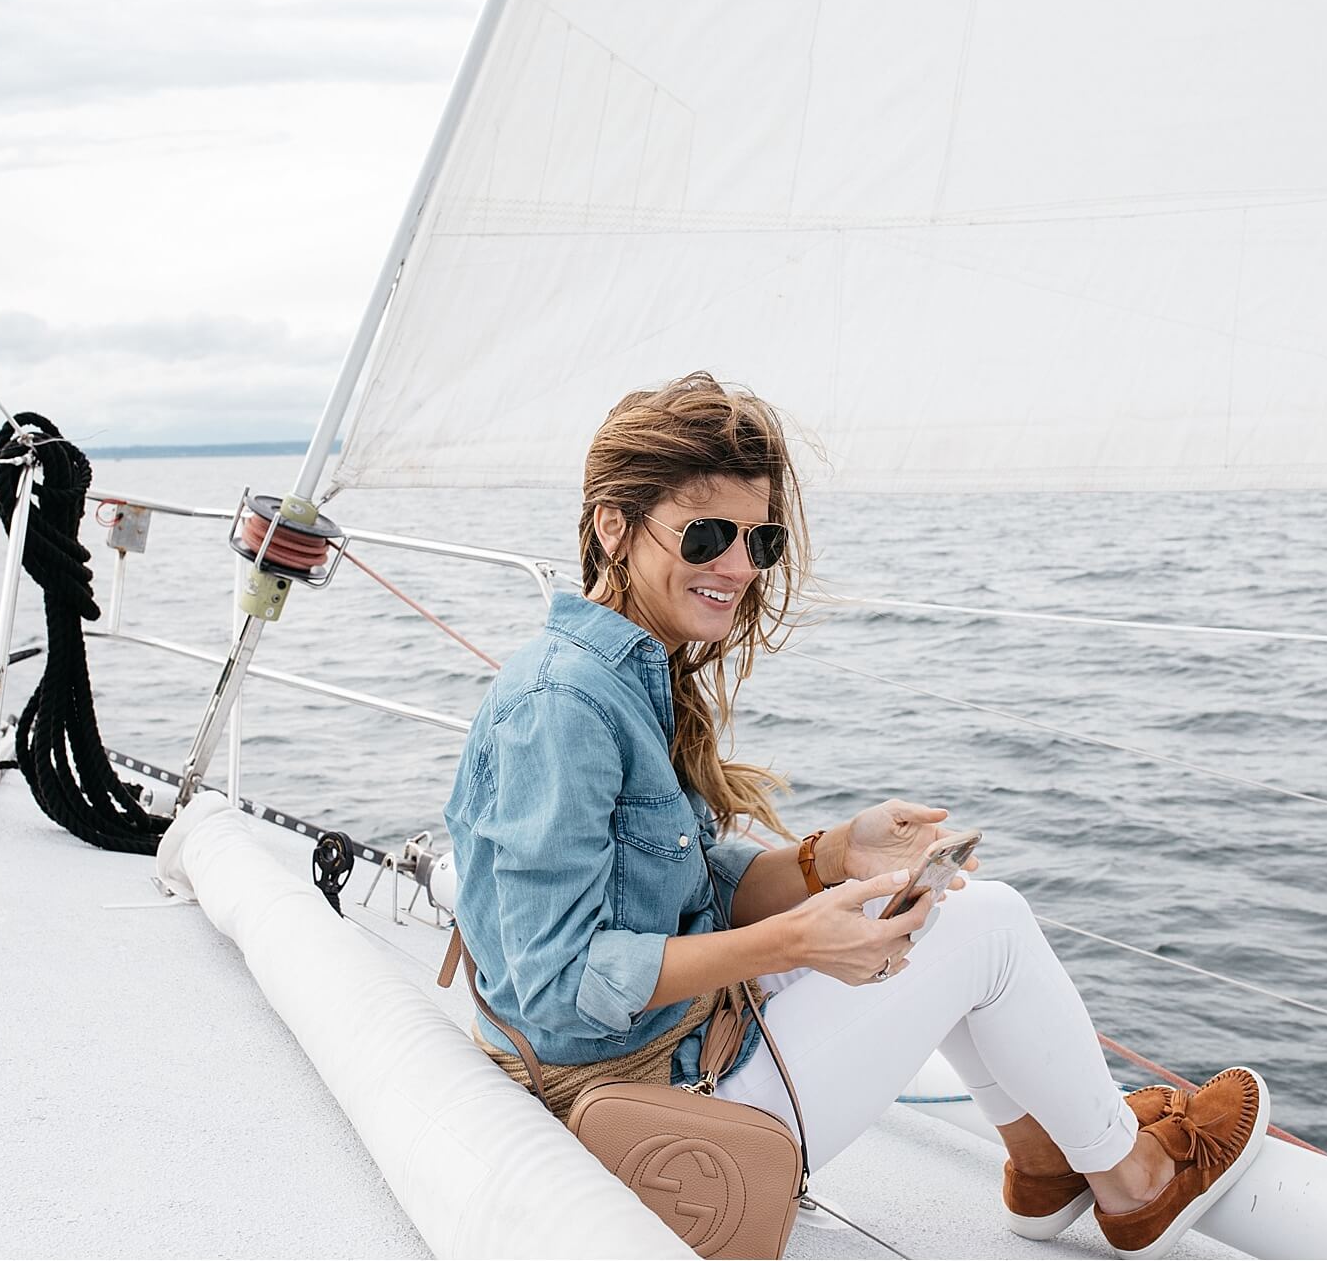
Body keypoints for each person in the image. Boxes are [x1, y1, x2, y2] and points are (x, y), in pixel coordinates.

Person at [443, 372, 1267, 1259]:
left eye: (758, 537)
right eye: (708, 533)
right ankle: (1134, 1182)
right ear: (615, 524)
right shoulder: (563, 705)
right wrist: (795, 943)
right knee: (990, 926)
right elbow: (559, 985)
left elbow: (678, 885)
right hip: (637, 1111)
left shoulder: (632, 675)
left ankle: (1043, 1162)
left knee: (927, 907)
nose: (740, 565)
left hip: (670, 1050)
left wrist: (834, 857)